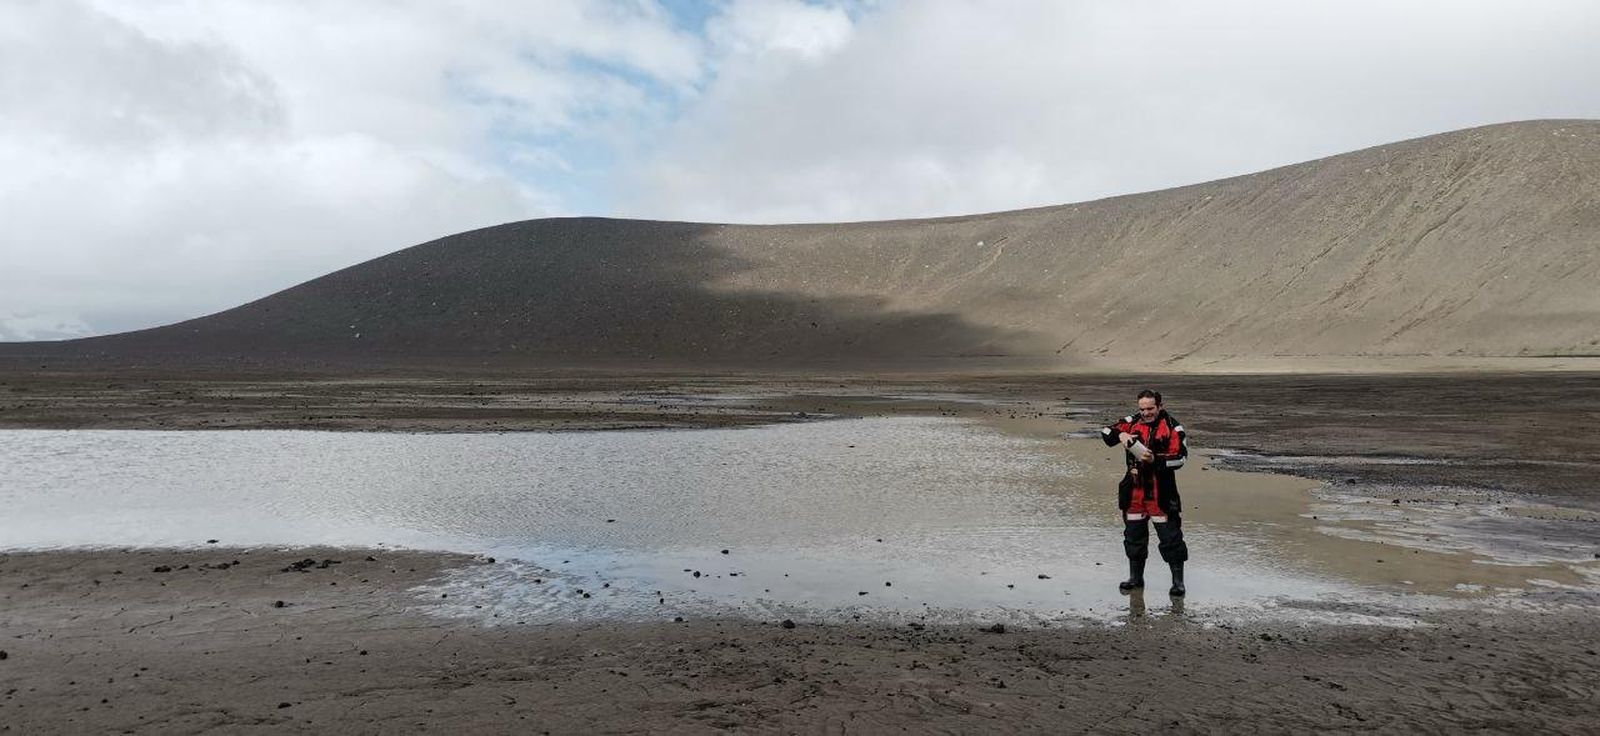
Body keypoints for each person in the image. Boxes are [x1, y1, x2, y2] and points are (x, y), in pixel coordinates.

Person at [1100, 389, 1189, 595]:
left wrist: (1155, 460)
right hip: (1134, 491)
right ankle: (1135, 578)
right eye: (1142, 409)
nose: (1146, 413)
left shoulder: (1174, 427)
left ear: (1160, 406)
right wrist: (1120, 434)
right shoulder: (1132, 421)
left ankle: (1178, 583)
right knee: (1133, 537)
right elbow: (1106, 432)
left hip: (1161, 493)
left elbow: (1181, 458)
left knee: (1171, 539)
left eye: (1150, 408)